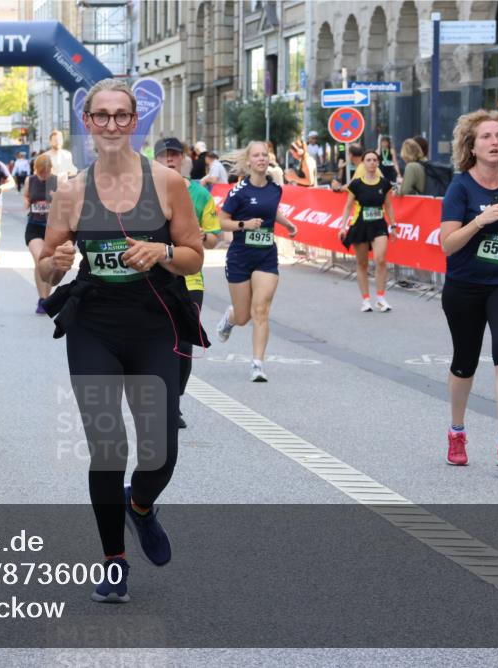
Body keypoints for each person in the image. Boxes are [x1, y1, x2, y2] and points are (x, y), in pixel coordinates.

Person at [37, 79, 205, 603]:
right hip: (95, 327)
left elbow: (195, 256)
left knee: (160, 452)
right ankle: (113, 560)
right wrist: (54, 263)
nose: (111, 125)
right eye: (101, 116)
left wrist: (163, 254)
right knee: (107, 449)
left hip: (155, 322)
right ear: (88, 122)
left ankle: (141, 507)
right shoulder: (70, 192)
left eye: (121, 116)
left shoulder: (167, 183)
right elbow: (44, 270)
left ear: (135, 123)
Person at [439, 109, 498, 467]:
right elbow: (447, 244)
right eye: (486, 137)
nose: (495, 142)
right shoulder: (460, 187)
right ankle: (457, 431)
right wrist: (479, 220)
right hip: (464, 285)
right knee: (465, 362)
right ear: (472, 146)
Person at [215, 141, 299, 382]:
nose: (261, 159)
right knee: (244, 316)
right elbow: (221, 222)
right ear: (249, 161)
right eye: (256, 155)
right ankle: (230, 318)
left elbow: (272, 211)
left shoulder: (275, 188)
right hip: (240, 257)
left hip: (266, 257)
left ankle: (257, 364)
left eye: (265, 155)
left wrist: (288, 224)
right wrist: (244, 225)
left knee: (260, 310)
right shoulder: (238, 191)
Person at [154, 136, 220, 422]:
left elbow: (216, 238)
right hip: (153, 277)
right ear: (155, 160)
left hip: (190, 279)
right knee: (157, 340)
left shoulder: (200, 195)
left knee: (183, 342)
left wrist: (204, 237)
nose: (170, 159)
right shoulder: (145, 192)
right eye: (164, 155)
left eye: (174, 155)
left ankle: (174, 400)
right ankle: (162, 400)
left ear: (183, 159)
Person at [338, 150, 398, 313]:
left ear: (378, 163)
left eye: (374, 160)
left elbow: (389, 205)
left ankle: (380, 298)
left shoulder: (384, 183)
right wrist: (343, 226)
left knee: (380, 259)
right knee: (362, 263)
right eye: (368, 160)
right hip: (360, 225)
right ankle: (365, 300)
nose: (372, 162)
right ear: (363, 163)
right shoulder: (356, 184)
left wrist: (393, 226)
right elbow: (348, 206)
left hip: (379, 225)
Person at [23, 153, 58, 313]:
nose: (44, 175)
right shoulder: (30, 180)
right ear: (36, 169)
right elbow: (26, 196)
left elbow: (66, 204)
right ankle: (42, 298)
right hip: (34, 225)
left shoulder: (57, 181)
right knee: (39, 259)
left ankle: (47, 297)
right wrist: (26, 202)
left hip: (52, 228)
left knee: (50, 262)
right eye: (41, 172)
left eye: (46, 172)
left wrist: (56, 200)